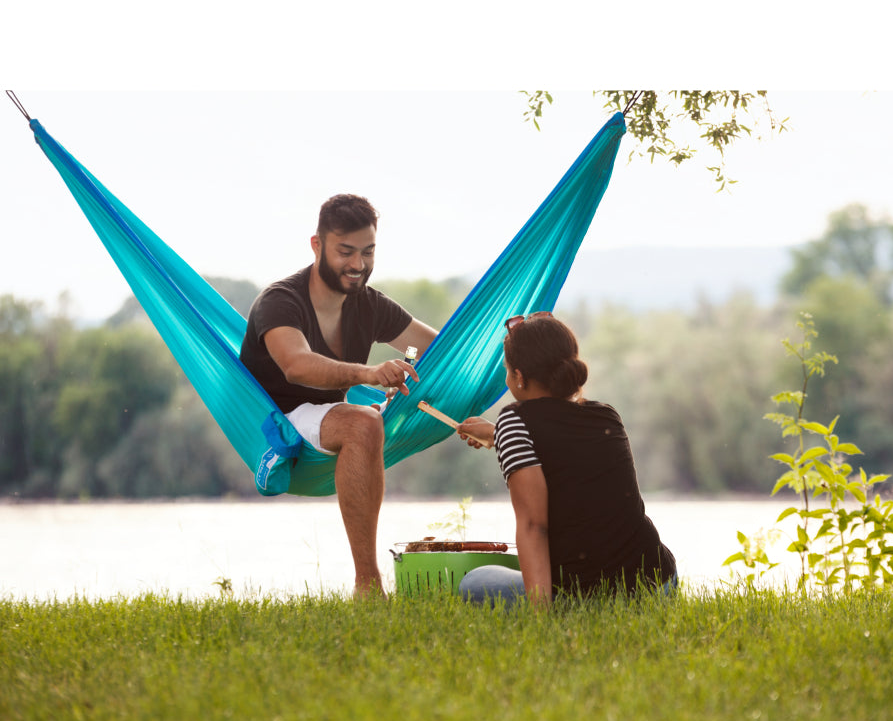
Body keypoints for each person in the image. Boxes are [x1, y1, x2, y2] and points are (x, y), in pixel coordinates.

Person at [240, 194, 437, 599]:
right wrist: (369, 373)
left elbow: (436, 347)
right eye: (345, 251)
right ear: (317, 245)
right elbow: (297, 365)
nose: (358, 265)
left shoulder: (369, 303)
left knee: (369, 418)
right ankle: (369, 586)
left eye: (368, 252)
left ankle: (368, 586)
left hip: (330, 415)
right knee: (363, 420)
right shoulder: (279, 301)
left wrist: (412, 362)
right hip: (279, 422)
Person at [455, 312, 676, 608]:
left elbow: (534, 526)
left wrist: (541, 616)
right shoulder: (606, 415)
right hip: (658, 583)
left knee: (475, 582)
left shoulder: (513, 420)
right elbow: (565, 451)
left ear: (520, 377)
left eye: (507, 372)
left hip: (587, 594)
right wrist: (499, 435)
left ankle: (555, 607)